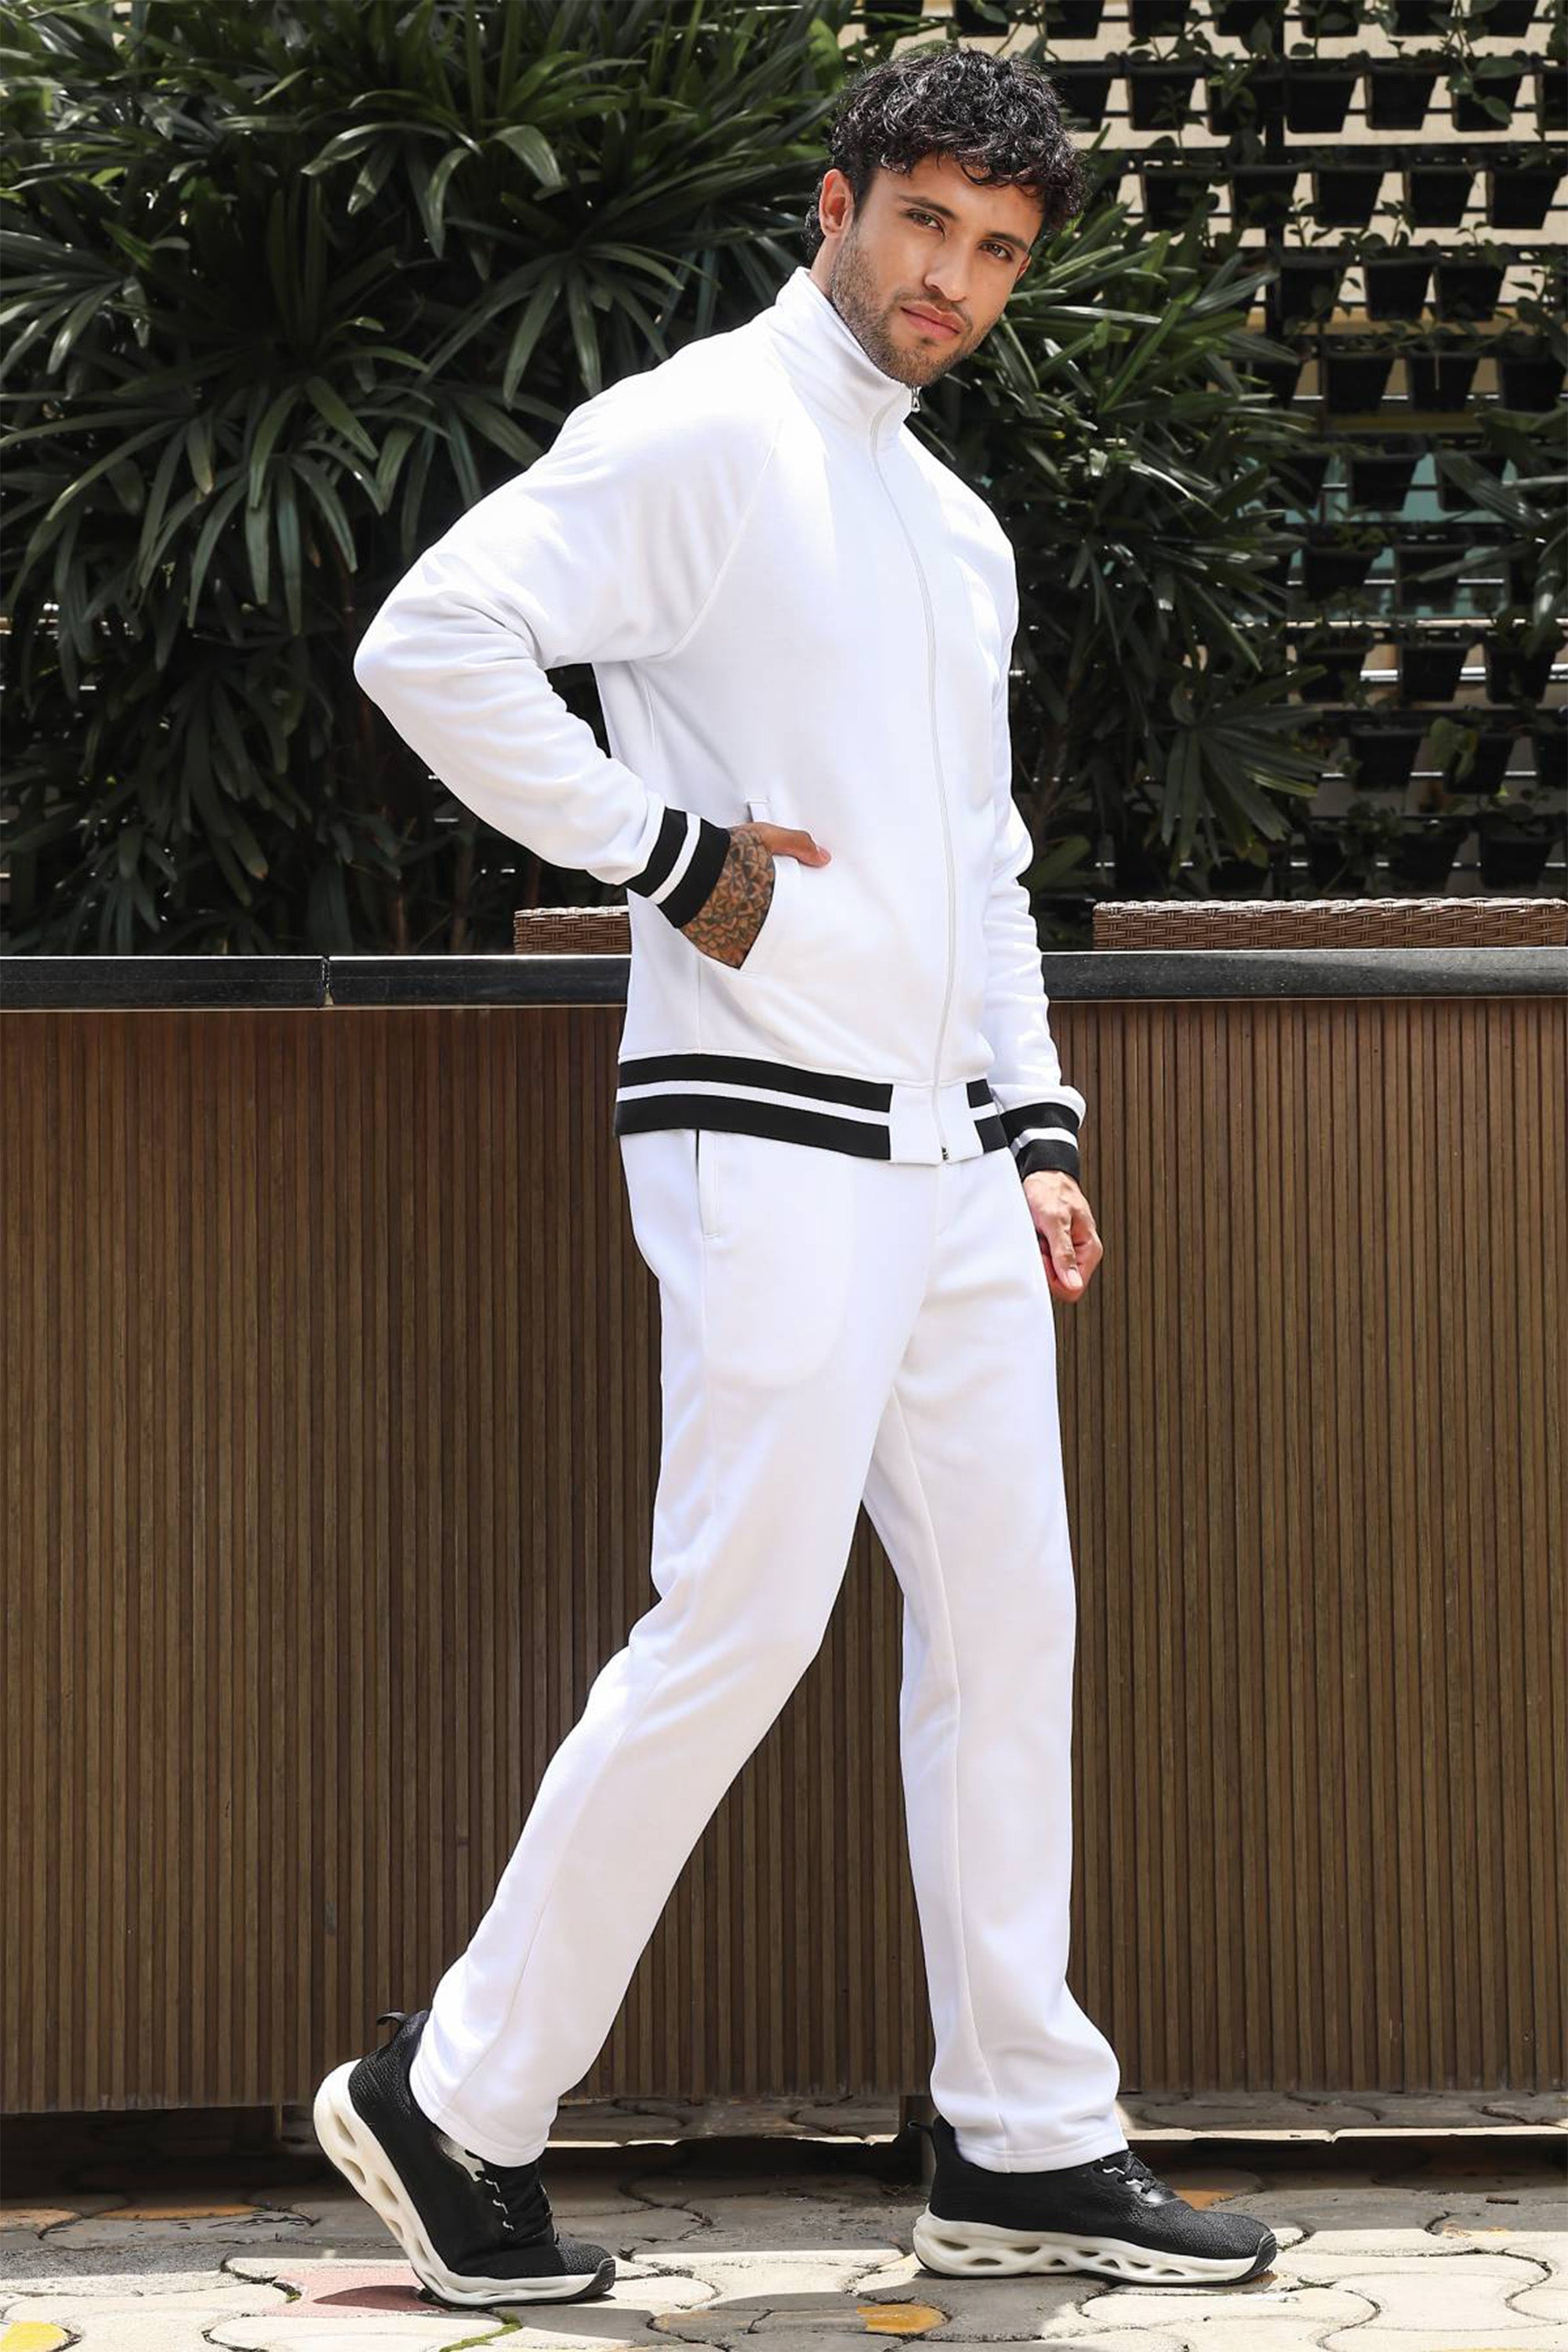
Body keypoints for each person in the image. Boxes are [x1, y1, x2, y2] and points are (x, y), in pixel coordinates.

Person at [313, 43, 1278, 2314]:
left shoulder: (952, 525)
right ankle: (453, 2097)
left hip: (949, 1170)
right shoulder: (703, 432)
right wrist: (671, 858)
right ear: (838, 205)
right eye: (926, 222)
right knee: (739, 1623)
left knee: (1012, 1626)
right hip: (766, 1133)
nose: (955, 279)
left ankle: (1024, 2141)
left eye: (999, 251)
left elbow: (981, 865)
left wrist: (1037, 1121)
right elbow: (428, 641)